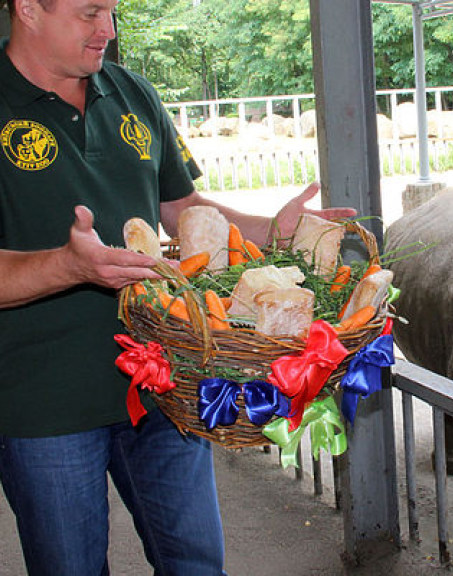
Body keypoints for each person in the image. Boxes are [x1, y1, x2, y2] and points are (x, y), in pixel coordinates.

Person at [0, 0, 355, 574]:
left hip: (168, 381)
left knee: (196, 562)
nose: (107, 31)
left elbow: (182, 210)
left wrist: (273, 231)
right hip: (44, 406)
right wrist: (69, 266)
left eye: (112, 12)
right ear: (28, 10)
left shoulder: (133, 93)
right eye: (90, 13)